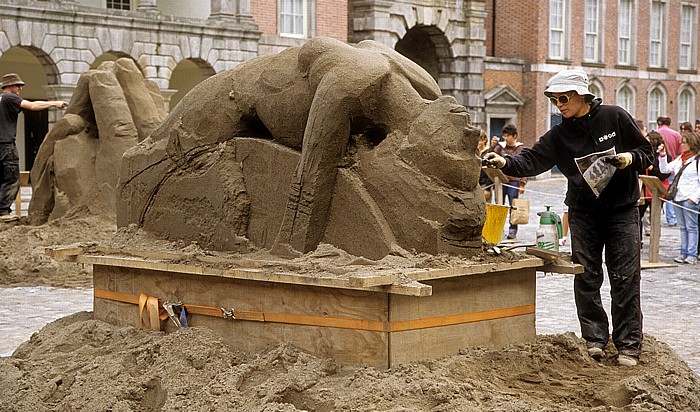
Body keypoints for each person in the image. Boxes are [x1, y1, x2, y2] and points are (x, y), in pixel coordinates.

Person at [483, 68, 653, 367]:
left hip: (622, 211)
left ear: (582, 95)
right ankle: (595, 339)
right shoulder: (559, 134)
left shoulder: (614, 117)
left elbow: (646, 152)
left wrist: (630, 159)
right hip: (583, 213)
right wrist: (504, 160)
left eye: (564, 98)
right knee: (586, 276)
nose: (558, 104)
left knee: (625, 278)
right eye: (554, 99)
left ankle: (628, 345)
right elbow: (532, 160)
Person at [1, 73, 68, 218]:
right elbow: (31, 106)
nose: (20, 88)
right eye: (18, 85)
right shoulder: (9, 97)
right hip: (6, 145)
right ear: (9, 85)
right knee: (12, 179)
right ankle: (2, 212)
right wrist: (54, 103)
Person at [658, 131, 700, 265]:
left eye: (684, 142)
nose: (681, 144)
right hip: (678, 197)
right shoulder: (680, 159)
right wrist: (663, 155)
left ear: (692, 144)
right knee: (682, 227)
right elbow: (664, 170)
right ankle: (683, 253)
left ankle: (691, 254)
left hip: (690, 198)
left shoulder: (697, 162)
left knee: (692, 227)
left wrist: (694, 198)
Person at [491, 124, 527, 239]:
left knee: (513, 206)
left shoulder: (520, 149)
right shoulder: (500, 147)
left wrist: (522, 183)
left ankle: (512, 230)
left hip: (514, 181)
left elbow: (524, 166)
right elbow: (491, 157)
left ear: (514, 136)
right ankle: (498, 228)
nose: (506, 138)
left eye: (508, 136)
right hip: (501, 180)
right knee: (499, 205)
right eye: (504, 136)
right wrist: (492, 146)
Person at [639, 131, 671, 241]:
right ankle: (639, 241)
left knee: (655, 218)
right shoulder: (645, 154)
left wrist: (653, 168)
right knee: (639, 216)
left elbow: (664, 174)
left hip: (657, 189)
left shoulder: (664, 156)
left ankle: (655, 241)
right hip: (644, 188)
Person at [656, 116, 682, 226]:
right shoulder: (676, 134)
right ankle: (672, 219)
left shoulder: (656, 133)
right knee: (671, 192)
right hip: (673, 165)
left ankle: (667, 217)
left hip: (661, 164)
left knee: (662, 192)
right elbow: (679, 151)